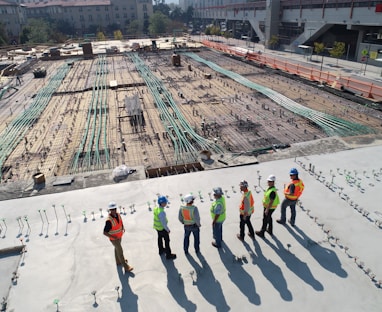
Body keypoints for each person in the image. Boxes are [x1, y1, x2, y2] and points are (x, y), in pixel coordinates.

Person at [103, 201, 133, 273]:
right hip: (114, 239)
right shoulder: (109, 220)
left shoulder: (118, 215)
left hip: (119, 236)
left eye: (114, 209)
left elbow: (120, 222)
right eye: (112, 209)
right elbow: (104, 232)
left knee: (117, 249)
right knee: (120, 251)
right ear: (110, 210)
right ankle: (126, 267)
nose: (114, 210)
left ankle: (118, 261)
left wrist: (122, 227)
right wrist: (113, 236)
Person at [153, 196, 176, 260]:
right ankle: (168, 255)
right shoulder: (161, 212)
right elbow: (163, 223)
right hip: (162, 229)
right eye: (165, 202)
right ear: (162, 203)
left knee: (159, 239)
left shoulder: (156, 208)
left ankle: (161, 250)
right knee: (167, 241)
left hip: (157, 228)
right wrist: (168, 230)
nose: (166, 203)